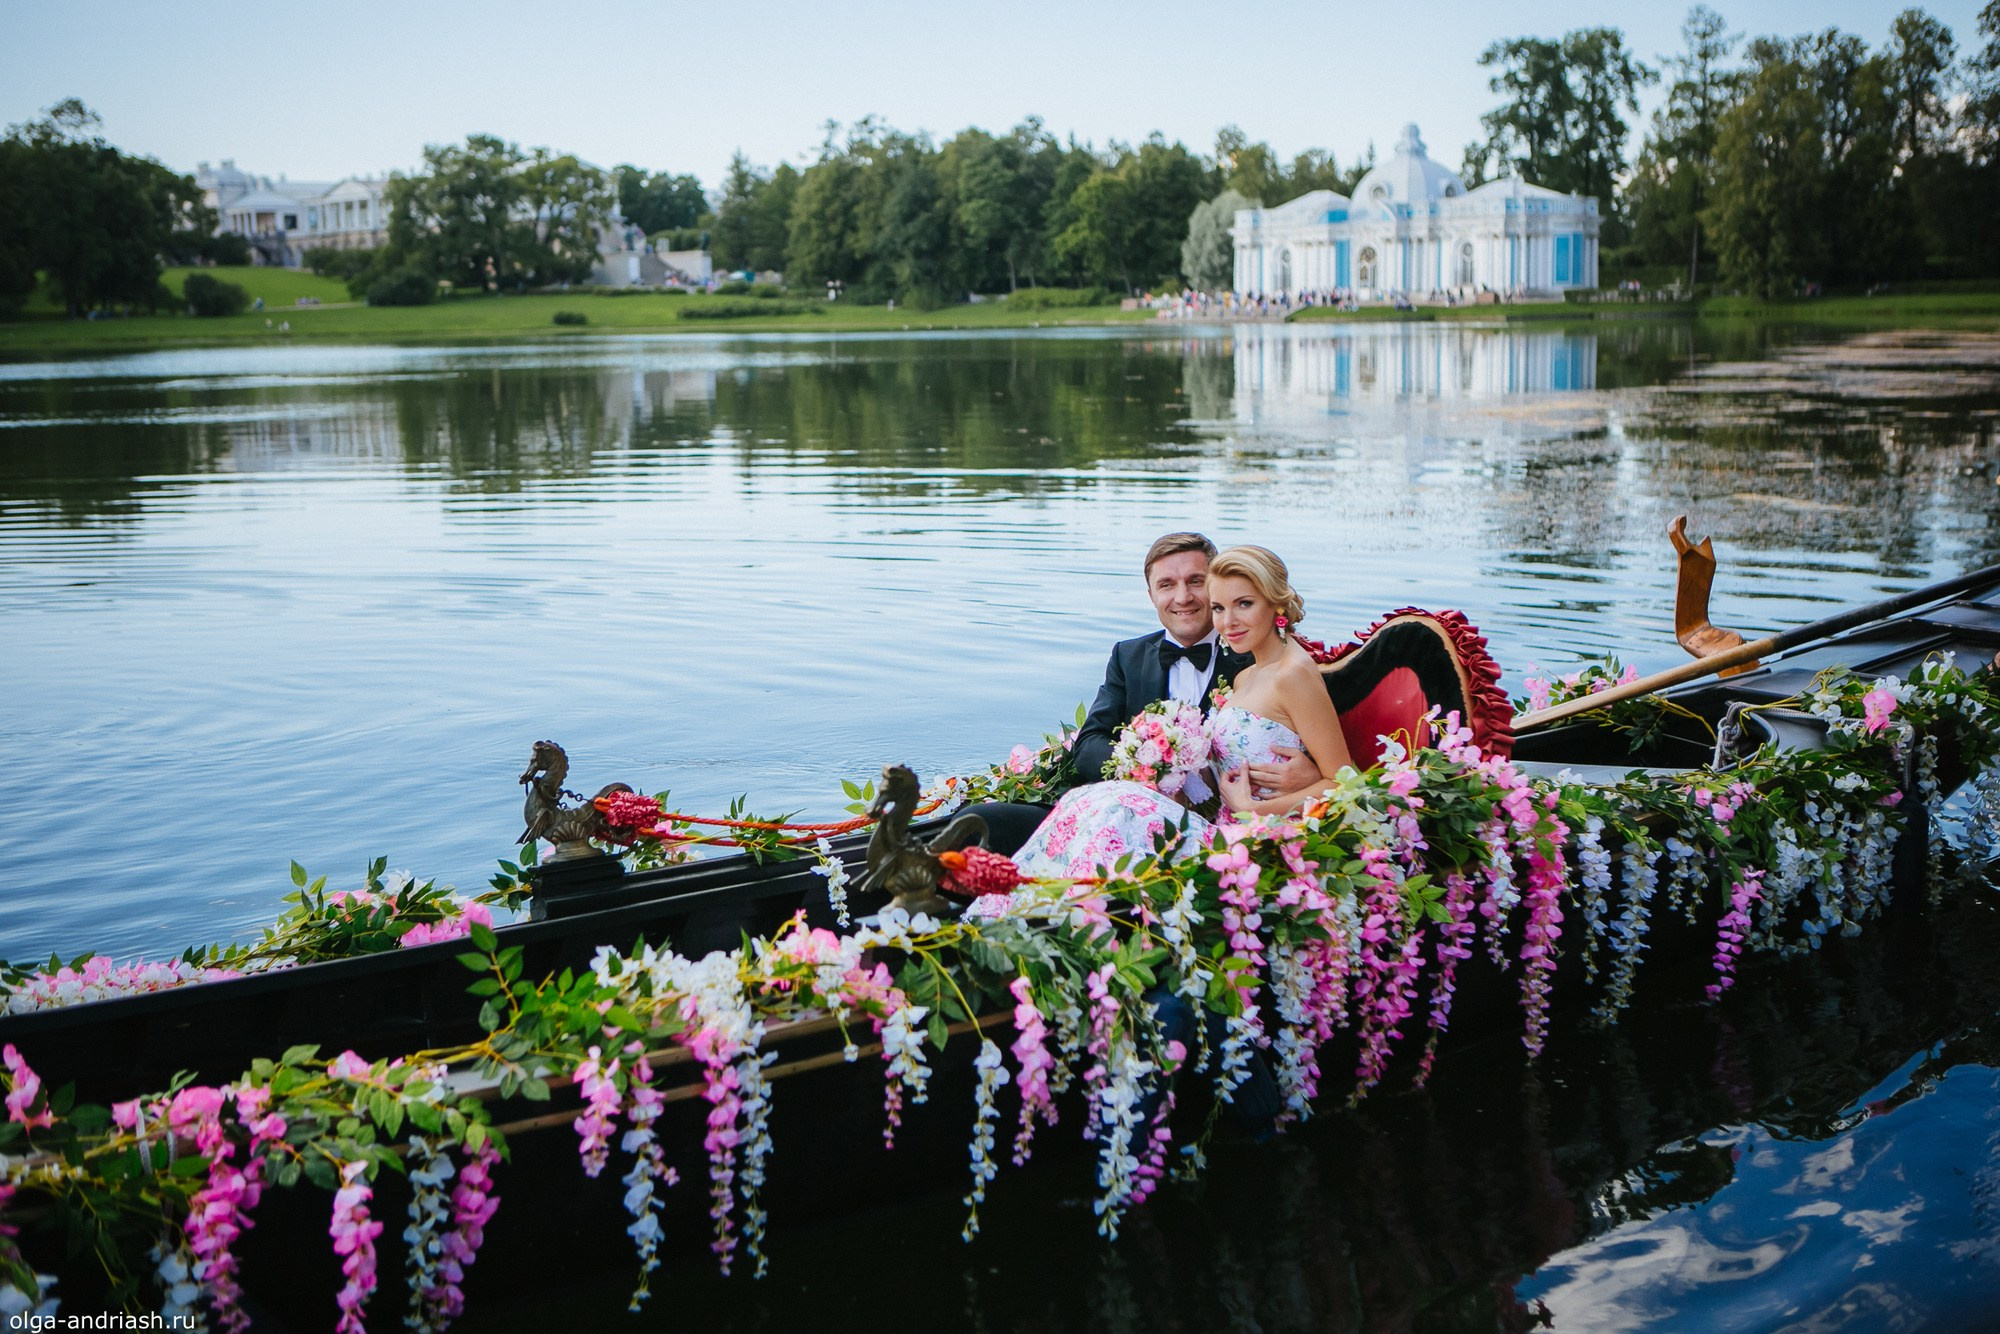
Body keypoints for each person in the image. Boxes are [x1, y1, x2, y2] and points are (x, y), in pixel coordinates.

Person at [1011, 545, 1353, 879]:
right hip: (1219, 823)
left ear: (1276, 602)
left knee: (1115, 810)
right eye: (1219, 607)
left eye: (1244, 604)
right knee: (1097, 799)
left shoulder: (1292, 674)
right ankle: (1029, 889)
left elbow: (1345, 783)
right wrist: (1162, 768)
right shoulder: (1247, 675)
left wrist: (1259, 806)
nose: (1228, 622)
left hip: (1258, 840)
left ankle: (1053, 897)